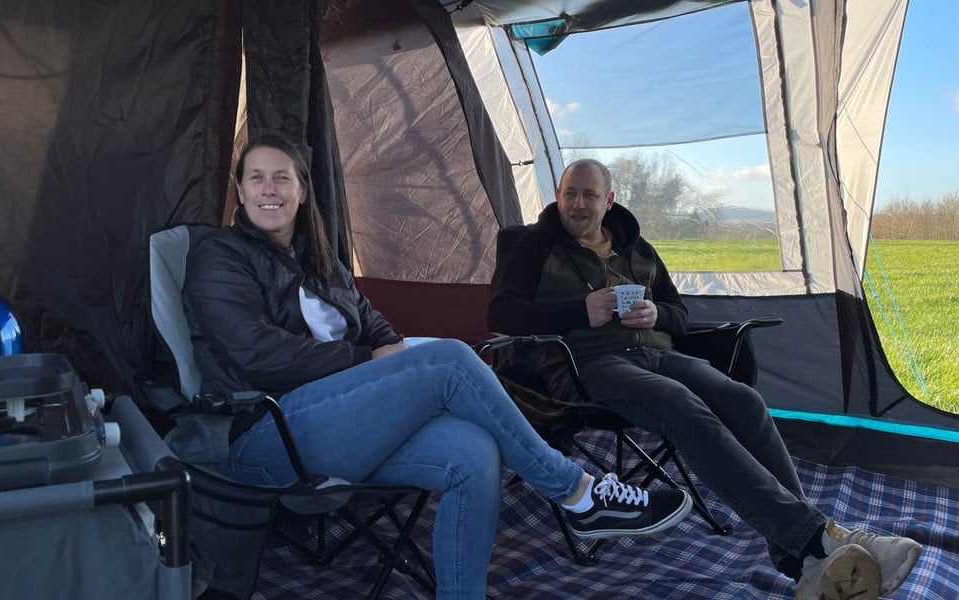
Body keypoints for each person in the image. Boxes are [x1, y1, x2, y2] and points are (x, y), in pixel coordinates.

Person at [181, 134, 693, 600]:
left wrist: (389, 351)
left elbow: (373, 321)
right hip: (266, 437)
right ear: (240, 192)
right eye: (256, 178)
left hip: (345, 428)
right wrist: (367, 360)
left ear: (301, 190)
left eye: (281, 177)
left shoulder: (320, 259)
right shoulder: (220, 256)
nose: (269, 189)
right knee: (450, 358)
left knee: (473, 452)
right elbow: (257, 354)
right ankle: (578, 492)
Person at [488, 158, 923, 599]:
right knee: (678, 403)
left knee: (744, 402)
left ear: (609, 200)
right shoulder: (535, 246)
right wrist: (578, 311)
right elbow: (500, 313)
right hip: (588, 364)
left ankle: (807, 560)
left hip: (656, 353)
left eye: (589, 195)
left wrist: (658, 313)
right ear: (559, 195)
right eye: (569, 194)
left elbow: (679, 312)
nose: (577, 204)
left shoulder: (638, 250)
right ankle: (818, 542)